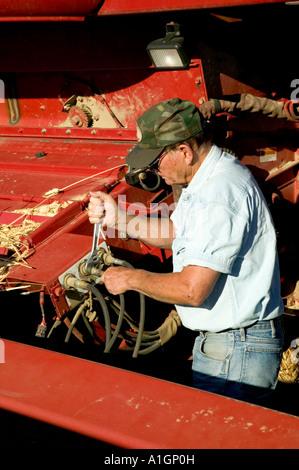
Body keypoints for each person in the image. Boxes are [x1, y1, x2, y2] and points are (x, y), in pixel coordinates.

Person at [88, 97, 284, 406]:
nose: (153, 171)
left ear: (184, 151)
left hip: (237, 350)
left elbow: (193, 290)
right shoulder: (208, 179)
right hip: (231, 346)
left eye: (156, 162)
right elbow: (178, 234)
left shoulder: (220, 193)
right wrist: (120, 219)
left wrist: (130, 279)